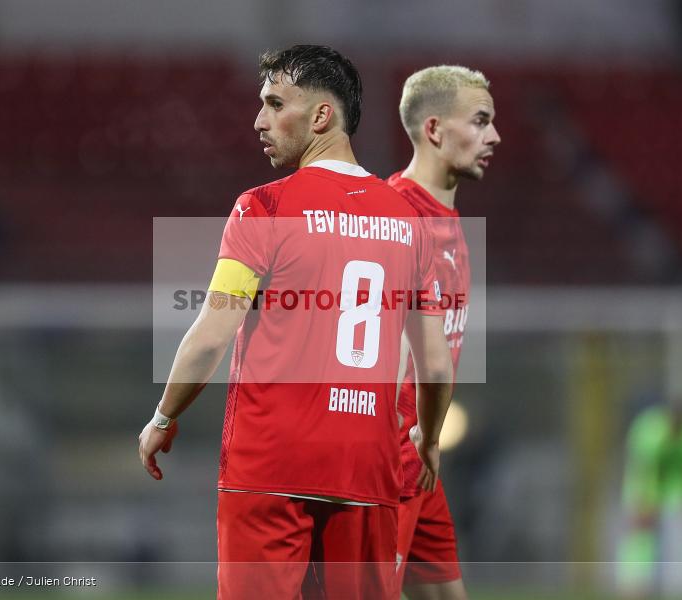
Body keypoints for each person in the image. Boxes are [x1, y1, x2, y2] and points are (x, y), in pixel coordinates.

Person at [138, 45, 454, 600]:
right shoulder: (411, 221)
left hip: (271, 466)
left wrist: (164, 416)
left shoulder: (263, 207)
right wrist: (427, 439)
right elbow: (434, 362)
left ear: (321, 116)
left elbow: (213, 333)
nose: (258, 120)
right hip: (366, 467)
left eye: (273, 103)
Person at [387, 65, 501, 600]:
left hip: (421, 461)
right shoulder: (396, 220)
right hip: (385, 463)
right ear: (434, 130)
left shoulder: (446, 219)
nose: (494, 136)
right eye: (479, 122)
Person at [617, 401, 682, 598]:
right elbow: (643, 467)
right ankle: (634, 587)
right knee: (641, 531)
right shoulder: (649, 430)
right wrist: (643, 501)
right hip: (652, 479)